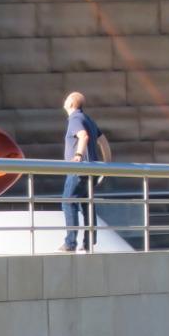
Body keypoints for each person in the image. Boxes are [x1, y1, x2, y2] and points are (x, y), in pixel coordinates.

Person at [60, 91, 110, 252]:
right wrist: (107, 165)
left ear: (72, 104)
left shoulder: (75, 118)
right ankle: (89, 241)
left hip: (78, 170)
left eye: (67, 99)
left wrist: (78, 155)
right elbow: (103, 141)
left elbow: (83, 136)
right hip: (91, 170)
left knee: (68, 201)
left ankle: (70, 243)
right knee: (86, 204)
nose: (65, 100)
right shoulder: (88, 119)